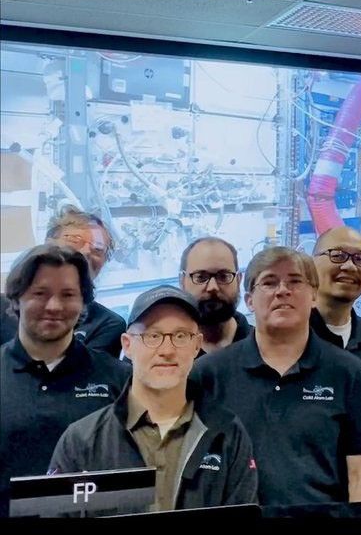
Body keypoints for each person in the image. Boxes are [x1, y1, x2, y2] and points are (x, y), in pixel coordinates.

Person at [190, 247, 361, 507]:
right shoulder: (208, 373)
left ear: (313, 294)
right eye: (269, 282)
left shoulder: (349, 372)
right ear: (249, 300)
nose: (282, 291)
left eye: (295, 281)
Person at [49, 286, 258, 512]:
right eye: (153, 336)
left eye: (180, 336)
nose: (167, 350)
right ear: (127, 345)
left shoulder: (227, 433)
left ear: (196, 345)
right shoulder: (82, 440)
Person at [0, 244, 130, 516]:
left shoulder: (121, 379)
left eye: (68, 294)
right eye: (40, 293)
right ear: (16, 298)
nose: (54, 306)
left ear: (84, 302)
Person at [1, 205, 126, 357]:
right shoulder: (3, 308)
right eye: (75, 239)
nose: (86, 251)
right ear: (48, 243)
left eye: (98, 249)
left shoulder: (107, 325)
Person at [311, 226, 361, 421]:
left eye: (360, 259)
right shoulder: (290, 334)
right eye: (338, 255)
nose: (349, 266)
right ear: (311, 265)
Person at [178, 237, 253, 356]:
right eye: (200, 277)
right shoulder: (166, 353)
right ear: (182, 281)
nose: (213, 287)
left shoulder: (263, 348)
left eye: (223, 276)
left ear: (238, 281)